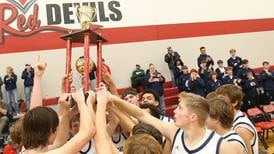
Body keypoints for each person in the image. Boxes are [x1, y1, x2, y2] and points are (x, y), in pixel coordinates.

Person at [110, 91, 233, 154]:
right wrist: (114, 99)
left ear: (193, 117)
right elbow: (141, 114)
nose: (174, 111)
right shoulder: (175, 132)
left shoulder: (222, 147)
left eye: (180, 108)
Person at [216, 84, 258, 154]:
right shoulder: (230, 120)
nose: (218, 103)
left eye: (222, 99)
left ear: (235, 102)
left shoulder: (241, 129)